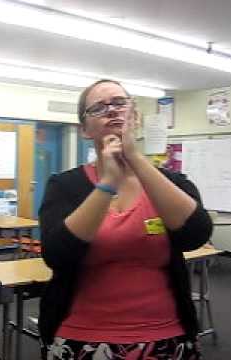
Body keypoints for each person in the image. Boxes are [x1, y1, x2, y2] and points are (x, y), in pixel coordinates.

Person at [38, 79, 213, 360]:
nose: (112, 110)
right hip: (81, 336)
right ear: (84, 130)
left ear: (135, 116)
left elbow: (196, 234)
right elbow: (57, 254)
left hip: (167, 335)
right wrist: (107, 183)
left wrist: (133, 157)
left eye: (120, 103)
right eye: (98, 108)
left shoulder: (171, 181)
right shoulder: (64, 185)